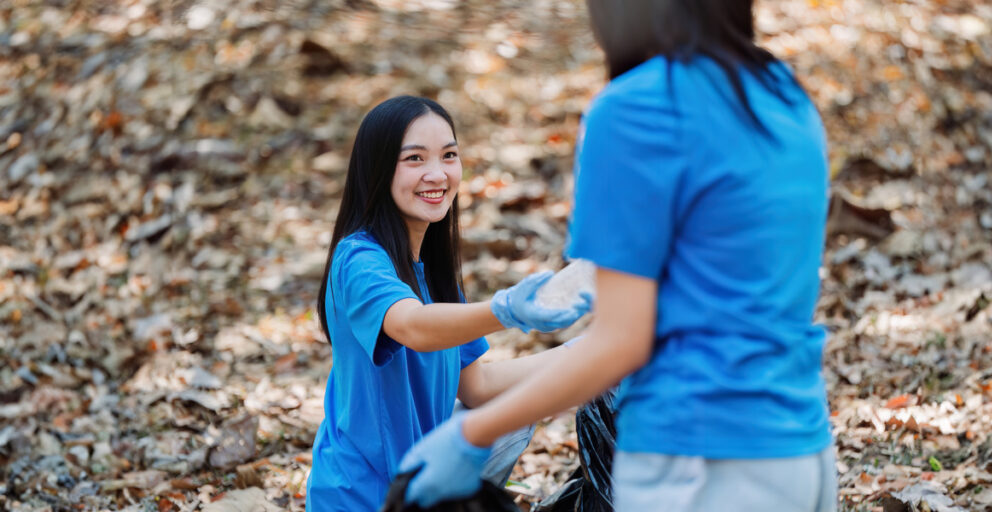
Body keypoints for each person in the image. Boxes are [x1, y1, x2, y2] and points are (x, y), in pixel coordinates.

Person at [399, 1, 838, 510]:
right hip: (801, 449)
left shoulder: (636, 108)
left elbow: (621, 344)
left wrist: (468, 436)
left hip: (695, 460)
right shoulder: (783, 93)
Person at [305, 95, 591, 511]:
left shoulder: (430, 272)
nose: (437, 174)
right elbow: (412, 327)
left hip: (424, 481)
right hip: (361, 496)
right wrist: (505, 310)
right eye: (415, 159)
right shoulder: (359, 259)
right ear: (379, 169)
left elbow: (478, 388)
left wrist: (590, 352)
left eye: (449, 155)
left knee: (511, 417)